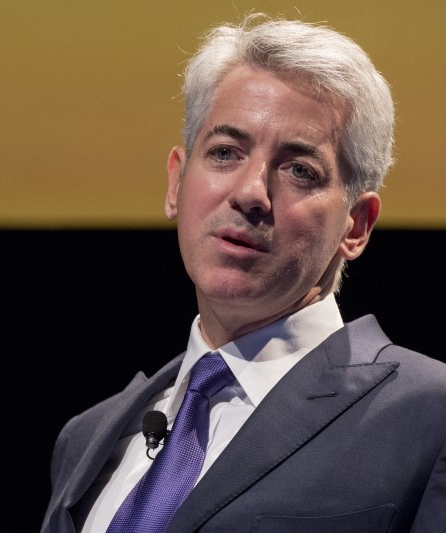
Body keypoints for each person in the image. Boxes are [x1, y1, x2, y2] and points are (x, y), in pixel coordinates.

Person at [42, 15, 446, 533]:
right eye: (225, 152)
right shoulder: (88, 437)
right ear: (176, 182)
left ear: (356, 225)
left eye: (300, 169)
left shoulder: (427, 418)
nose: (251, 192)